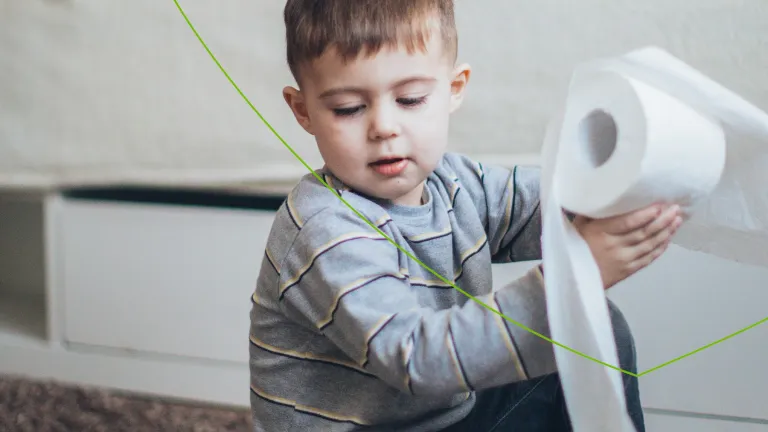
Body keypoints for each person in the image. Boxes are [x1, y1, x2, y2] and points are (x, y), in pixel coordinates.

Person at [248, 1, 683, 430]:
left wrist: (617, 187)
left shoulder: (455, 182)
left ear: (454, 89)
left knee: (598, 327)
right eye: (347, 108)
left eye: (410, 99)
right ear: (303, 110)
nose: (383, 127)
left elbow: (543, 202)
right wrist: (569, 280)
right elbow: (416, 360)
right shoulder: (324, 228)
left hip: (449, 414)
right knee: (568, 316)